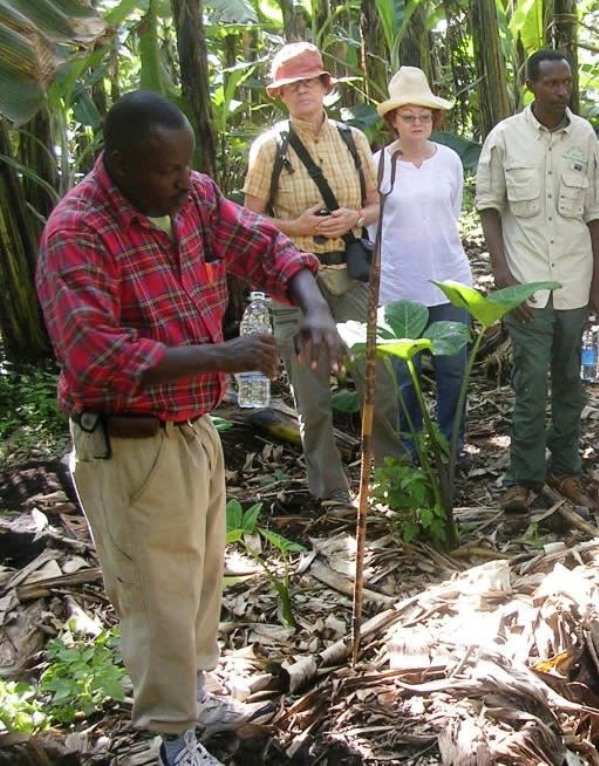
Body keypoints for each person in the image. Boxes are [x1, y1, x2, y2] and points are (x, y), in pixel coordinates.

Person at [36, 91, 342, 765]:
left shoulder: (192, 199)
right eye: (166, 171)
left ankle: (195, 698)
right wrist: (224, 356)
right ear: (116, 162)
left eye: (186, 169)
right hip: (129, 441)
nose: (183, 183)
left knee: (201, 578)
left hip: (190, 428)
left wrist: (314, 305)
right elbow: (95, 356)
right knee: (157, 594)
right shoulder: (78, 231)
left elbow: (263, 245)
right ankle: (174, 741)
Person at [243, 41, 402, 507]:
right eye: (291, 86)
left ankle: (390, 481)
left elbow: (376, 206)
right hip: (295, 284)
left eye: (308, 82)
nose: (301, 91)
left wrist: (355, 218)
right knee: (313, 401)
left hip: (349, 276)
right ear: (281, 94)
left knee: (381, 380)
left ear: (324, 86)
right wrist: (297, 227)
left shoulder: (353, 140)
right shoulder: (269, 148)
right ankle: (331, 492)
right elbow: (249, 220)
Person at [475, 49, 599, 513]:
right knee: (530, 382)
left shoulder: (585, 135)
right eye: (551, 83)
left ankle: (565, 468)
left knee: (570, 380)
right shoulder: (505, 137)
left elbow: (596, 212)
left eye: (566, 82)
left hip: (574, 278)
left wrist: (597, 282)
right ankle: (524, 477)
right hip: (527, 282)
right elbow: (489, 207)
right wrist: (503, 276)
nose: (561, 91)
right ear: (530, 85)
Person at [373, 67, 472, 456]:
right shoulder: (378, 163)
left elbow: (453, 210)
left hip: (449, 278)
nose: (417, 123)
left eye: (425, 116)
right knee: (404, 376)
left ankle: (452, 446)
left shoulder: (449, 160)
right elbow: (372, 227)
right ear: (393, 120)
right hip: (399, 284)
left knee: (453, 370)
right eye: (408, 116)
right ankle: (410, 451)